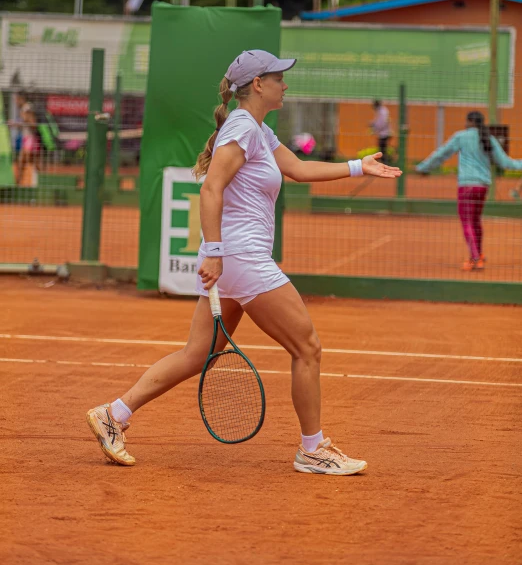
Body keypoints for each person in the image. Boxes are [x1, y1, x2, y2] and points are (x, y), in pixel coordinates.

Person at [87, 49, 402, 474]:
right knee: (307, 347)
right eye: (279, 78)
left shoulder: (258, 129)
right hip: (241, 257)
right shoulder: (241, 128)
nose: (285, 85)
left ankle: (114, 414)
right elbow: (210, 189)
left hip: (235, 258)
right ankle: (313, 449)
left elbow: (300, 169)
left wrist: (357, 166)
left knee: (199, 353)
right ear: (258, 84)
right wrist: (215, 254)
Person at [416, 111, 522, 271]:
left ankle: (474, 258)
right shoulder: (489, 138)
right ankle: (478, 253)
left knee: (467, 221)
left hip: (466, 186)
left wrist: (423, 167)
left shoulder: (461, 136)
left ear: (469, 122)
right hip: (482, 186)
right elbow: (506, 162)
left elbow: (441, 154)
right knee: (476, 221)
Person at [8, 91, 41, 186]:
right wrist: (15, 124)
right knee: (28, 162)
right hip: (27, 138)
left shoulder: (27, 108)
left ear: (21, 98)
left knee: (22, 162)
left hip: (30, 139)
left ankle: (17, 184)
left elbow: (33, 124)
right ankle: (22, 183)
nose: (15, 102)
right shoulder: (24, 108)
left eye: (16, 99)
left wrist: (23, 120)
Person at [370, 100, 392, 164]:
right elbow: (378, 121)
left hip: (384, 133)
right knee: (382, 149)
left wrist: (375, 129)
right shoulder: (382, 110)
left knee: (382, 149)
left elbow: (382, 122)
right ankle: (384, 161)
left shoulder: (382, 111)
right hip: (383, 132)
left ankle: (384, 162)